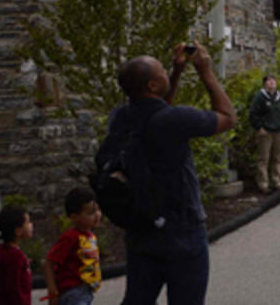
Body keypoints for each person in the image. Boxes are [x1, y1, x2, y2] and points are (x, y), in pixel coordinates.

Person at [99, 41, 236, 305]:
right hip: (182, 230)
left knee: (137, 299)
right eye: (162, 70)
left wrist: (176, 72)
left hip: (141, 227)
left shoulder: (121, 117)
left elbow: (157, 109)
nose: (165, 71)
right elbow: (227, 116)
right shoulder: (176, 120)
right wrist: (205, 71)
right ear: (152, 85)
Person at [44, 187, 102, 305]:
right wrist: (53, 291)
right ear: (74, 217)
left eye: (98, 210)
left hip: (85, 290)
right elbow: (49, 262)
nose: (97, 215)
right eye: (91, 212)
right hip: (73, 292)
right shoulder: (70, 237)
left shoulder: (89, 236)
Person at [248, 74, 280, 192]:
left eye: (273, 81)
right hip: (266, 131)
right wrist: (259, 127)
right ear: (264, 84)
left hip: (279, 130)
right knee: (264, 158)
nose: (272, 83)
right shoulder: (260, 97)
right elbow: (253, 114)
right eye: (269, 81)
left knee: (277, 157)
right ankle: (263, 184)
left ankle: (276, 180)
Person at [0, 206, 34, 305]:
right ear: (18, 231)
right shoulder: (15, 257)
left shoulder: (3, 252)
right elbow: (14, 289)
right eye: (28, 222)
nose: (31, 225)